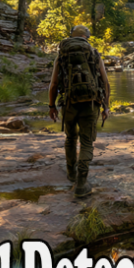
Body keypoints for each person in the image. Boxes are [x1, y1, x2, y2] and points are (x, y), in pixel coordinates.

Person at [48, 25, 110, 198]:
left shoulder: (62, 54)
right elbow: (105, 82)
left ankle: (71, 173)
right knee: (87, 142)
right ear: (86, 37)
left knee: (70, 137)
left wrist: (52, 106)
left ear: (71, 36)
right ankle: (81, 184)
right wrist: (106, 106)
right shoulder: (94, 53)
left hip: (69, 103)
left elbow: (53, 84)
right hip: (91, 103)